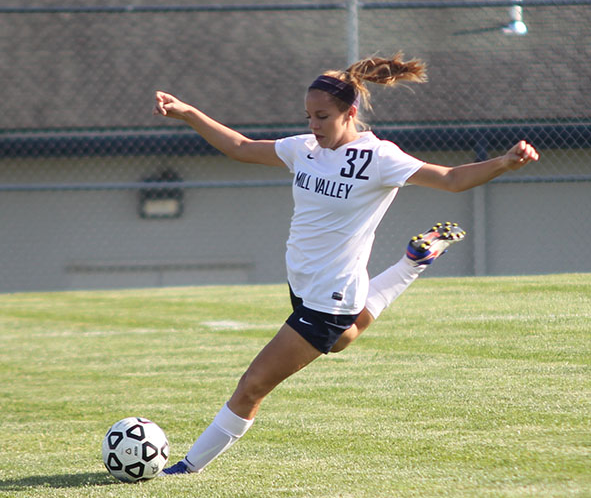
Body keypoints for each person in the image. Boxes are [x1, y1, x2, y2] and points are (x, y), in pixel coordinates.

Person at [153, 53, 540, 475]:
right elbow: (241, 148)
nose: (313, 125)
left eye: (322, 116)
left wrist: (505, 162)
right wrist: (188, 112)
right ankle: (413, 262)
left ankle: (188, 467)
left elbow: (450, 179)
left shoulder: (379, 158)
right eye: (308, 117)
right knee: (340, 341)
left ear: (349, 113)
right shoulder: (304, 149)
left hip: (330, 294)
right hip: (304, 284)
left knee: (253, 386)